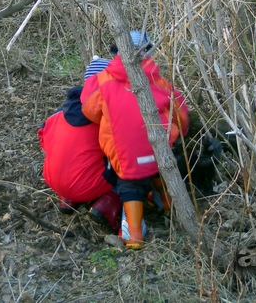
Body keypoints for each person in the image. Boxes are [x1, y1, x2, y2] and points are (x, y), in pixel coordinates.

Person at [81, 30, 190, 249]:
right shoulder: (158, 79)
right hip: (159, 149)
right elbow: (180, 110)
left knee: (129, 184)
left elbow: (89, 111)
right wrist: (181, 130)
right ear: (147, 52)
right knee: (159, 167)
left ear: (116, 53)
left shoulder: (103, 81)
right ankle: (169, 206)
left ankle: (135, 235)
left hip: (125, 154)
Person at [37, 87, 122, 230]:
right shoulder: (105, 121)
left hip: (52, 179)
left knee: (71, 156)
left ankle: (67, 199)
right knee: (128, 163)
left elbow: (42, 136)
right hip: (85, 185)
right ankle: (106, 205)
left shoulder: (56, 115)